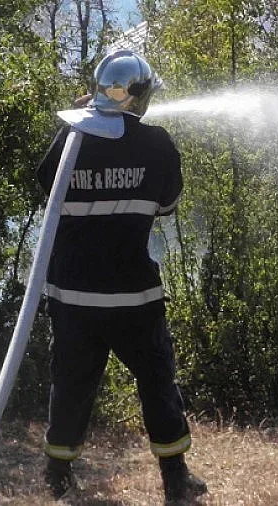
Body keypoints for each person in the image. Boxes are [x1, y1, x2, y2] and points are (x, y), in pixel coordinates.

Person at [35, 50, 207, 503]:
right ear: (141, 96)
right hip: (134, 297)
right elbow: (166, 207)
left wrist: (79, 128)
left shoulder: (69, 141)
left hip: (73, 297)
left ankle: (57, 478)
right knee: (157, 383)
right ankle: (175, 480)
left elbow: (44, 186)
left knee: (70, 385)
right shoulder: (158, 145)